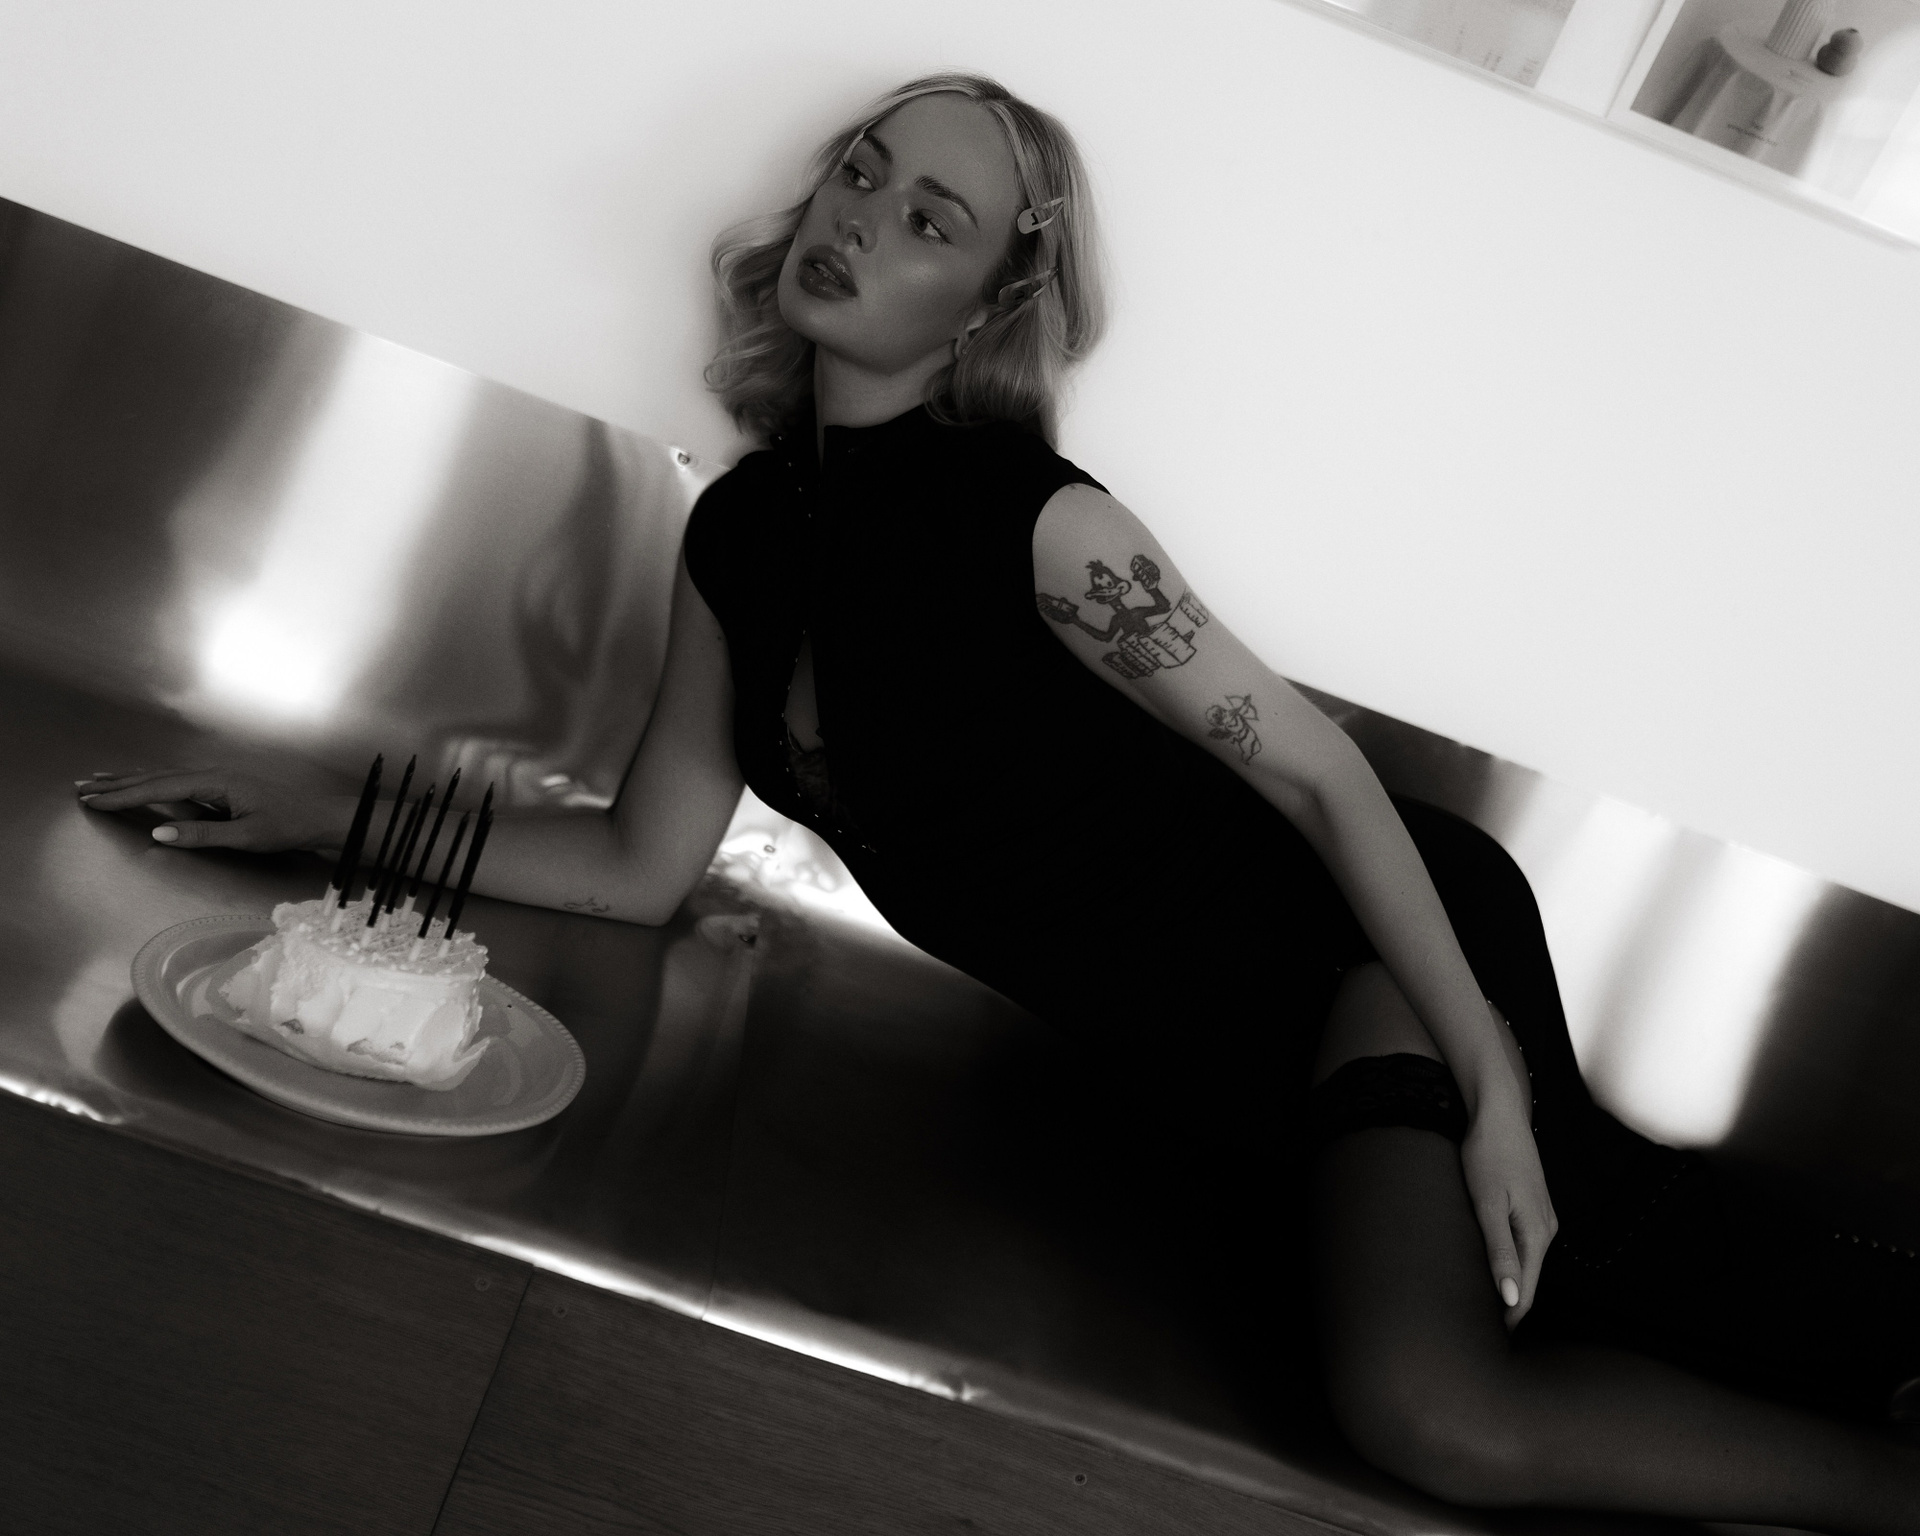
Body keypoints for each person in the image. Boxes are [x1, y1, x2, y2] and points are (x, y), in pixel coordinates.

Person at [78, 72, 1920, 1530]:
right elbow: (640, 864)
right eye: (859, 175)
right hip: (1220, 1076)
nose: (857, 221)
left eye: (927, 218)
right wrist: (334, 812)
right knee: (1624, 1290)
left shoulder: (1039, 523)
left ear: (989, 303)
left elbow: (1324, 776)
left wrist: (1495, 1091)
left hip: (1364, 959)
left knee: (1461, 1399)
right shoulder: (744, 535)